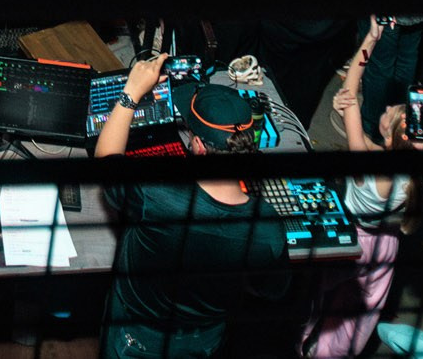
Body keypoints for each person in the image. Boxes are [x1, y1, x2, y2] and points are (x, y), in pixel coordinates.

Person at [93, 56, 289, 359]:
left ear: (197, 146)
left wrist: (130, 93)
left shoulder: (156, 196)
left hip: (138, 337)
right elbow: (269, 289)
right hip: (205, 342)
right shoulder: (267, 228)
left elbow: (106, 160)